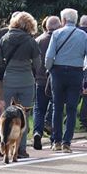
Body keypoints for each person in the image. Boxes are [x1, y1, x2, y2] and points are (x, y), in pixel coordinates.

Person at [45, 8, 87, 153]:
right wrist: (86, 72)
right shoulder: (83, 36)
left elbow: (49, 56)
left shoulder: (56, 34)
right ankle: (67, 142)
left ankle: (56, 141)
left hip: (58, 72)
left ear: (63, 20)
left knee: (57, 107)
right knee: (72, 108)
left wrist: (49, 68)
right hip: (76, 72)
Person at [0, 11, 41, 158]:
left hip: (9, 80)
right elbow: (38, 64)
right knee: (24, 115)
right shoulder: (31, 42)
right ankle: (21, 149)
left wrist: (5, 68)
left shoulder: (4, 38)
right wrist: (30, 69)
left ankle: (3, 141)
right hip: (26, 80)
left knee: (5, 113)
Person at [34, 16, 60, 150]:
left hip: (40, 78)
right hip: (55, 77)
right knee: (56, 106)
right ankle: (54, 137)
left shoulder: (38, 40)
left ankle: (37, 132)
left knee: (39, 108)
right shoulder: (60, 39)